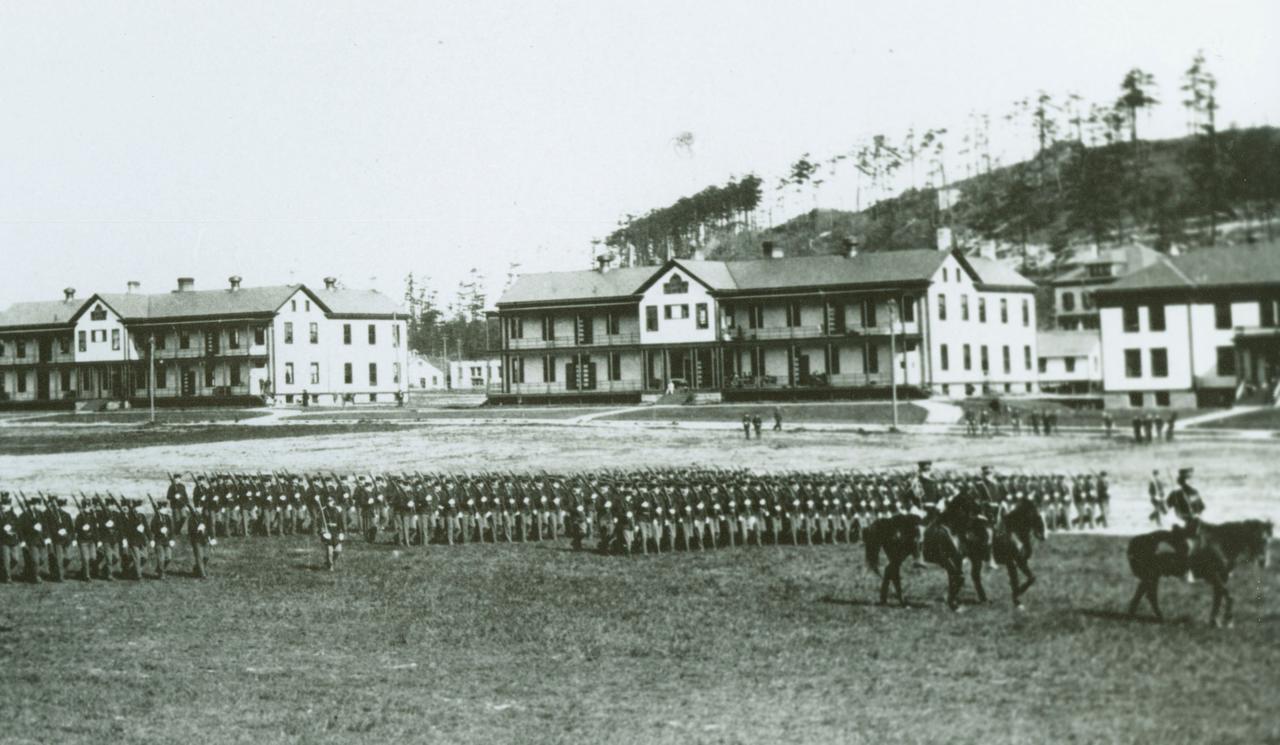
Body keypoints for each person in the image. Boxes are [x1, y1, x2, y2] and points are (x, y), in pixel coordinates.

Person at [1165, 467, 1205, 583]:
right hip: (1182, 523)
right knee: (1186, 547)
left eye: (1190, 479)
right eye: (1186, 479)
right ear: (1181, 481)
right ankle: (1187, 572)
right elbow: (1165, 509)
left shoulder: (1195, 492)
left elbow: (1201, 508)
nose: (1189, 481)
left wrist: (1197, 515)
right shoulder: (1175, 494)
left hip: (1196, 522)